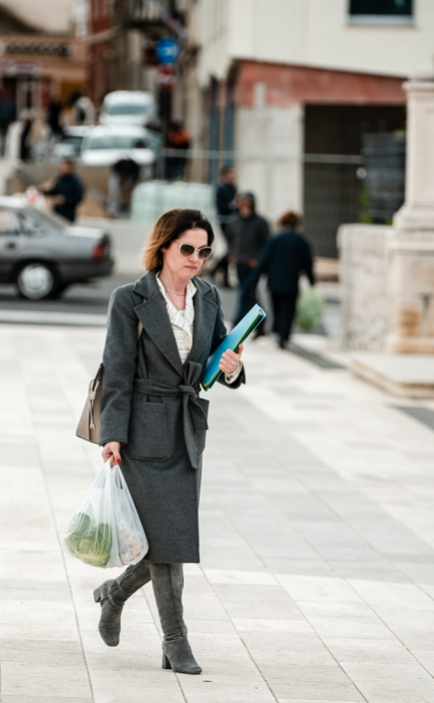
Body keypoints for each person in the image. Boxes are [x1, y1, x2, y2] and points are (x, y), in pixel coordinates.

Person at [96, 208, 246, 676]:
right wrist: (113, 434)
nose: (196, 258)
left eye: (204, 251)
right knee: (168, 542)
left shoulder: (209, 295)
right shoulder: (130, 298)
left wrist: (233, 370)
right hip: (142, 432)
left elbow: (221, 354)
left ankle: (115, 593)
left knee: (168, 540)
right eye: (188, 248)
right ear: (164, 246)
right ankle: (176, 641)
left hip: (187, 430)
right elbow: (116, 372)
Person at [241, 211, 315, 349]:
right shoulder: (301, 241)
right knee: (288, 309)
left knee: (276, 307)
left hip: (274, 281)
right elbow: (307, 263)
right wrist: (312, 281)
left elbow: (263, 261)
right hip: (292, 281)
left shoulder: (275, 239)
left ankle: (278, 332)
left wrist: (254, 279)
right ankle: (284, 335)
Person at [229, 192, 270, 327]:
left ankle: (237, 322)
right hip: (240, 263)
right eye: (242, 203)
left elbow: (266, 243)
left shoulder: (260, 222)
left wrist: (258, 259)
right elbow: (231, 240)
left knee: (246, 292)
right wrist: (232, 255)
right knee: (248, 293)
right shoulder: (235, 221)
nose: (244, 207)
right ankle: (261, 321)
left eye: (247, 204)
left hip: (254, 265)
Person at [210, 165, 237, 287]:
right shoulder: (221, 189)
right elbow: (221, 207)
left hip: (234, 222)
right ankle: (216, 270)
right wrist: (232, 206)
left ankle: (218, 272)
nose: (234, 176)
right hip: (225, 222)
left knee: (230, 250)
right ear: (225, 175)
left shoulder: (234, 188)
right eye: (231, 174)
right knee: (230, 250)